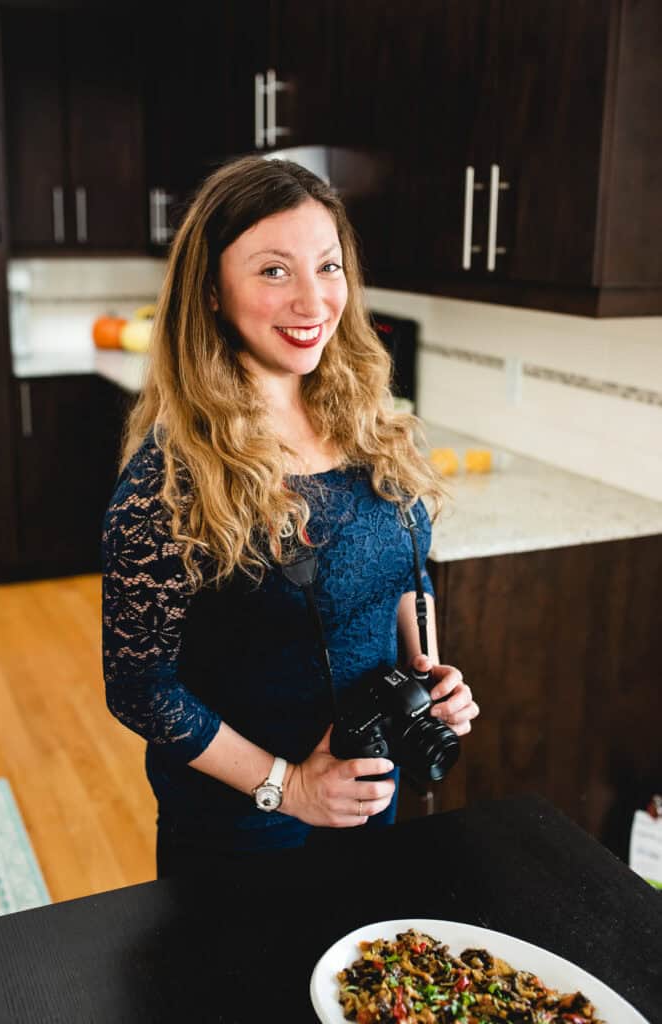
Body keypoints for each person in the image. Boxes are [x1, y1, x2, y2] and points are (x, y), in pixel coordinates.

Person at [101, 155, 479, 878]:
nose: (313, 301)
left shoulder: (367, 424)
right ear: (211, 290)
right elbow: (139, 688)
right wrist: (290, 787)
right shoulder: (169, 484)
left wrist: (425, 671)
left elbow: (401, 569)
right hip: (243, 829)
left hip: (370, 793)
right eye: (274, 271)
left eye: (328, 266)